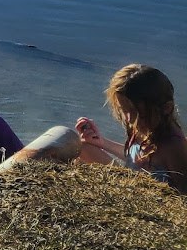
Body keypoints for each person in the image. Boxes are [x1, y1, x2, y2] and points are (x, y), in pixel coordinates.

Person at [76, 64, 187, 192]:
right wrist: (102, 142)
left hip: (145, 199)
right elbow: (136, 157)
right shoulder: (145, 126)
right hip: (129, 181)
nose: (129, 119)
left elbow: (183, 195)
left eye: (137, 113)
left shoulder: (173, 146)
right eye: (124, 111)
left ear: (166, 108)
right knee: (81, 147)